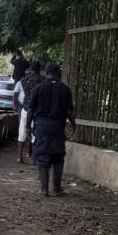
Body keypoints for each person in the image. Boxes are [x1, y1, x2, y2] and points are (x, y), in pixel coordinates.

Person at [28, 62, 75, 197]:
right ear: (58, 73)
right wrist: (73, 125)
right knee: (58, 157)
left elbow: (31, 110)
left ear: (46, 73)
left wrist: (28, 127)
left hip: (41, 127)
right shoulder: (65, 89)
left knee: (42, 156)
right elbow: (69, 112)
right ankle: (56, 188)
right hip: (57, 128)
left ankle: (44, 189)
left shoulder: (38, 88)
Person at [14, 61, 44, 163]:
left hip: (26, 109)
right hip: (38, 111)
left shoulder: (23, 80)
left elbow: (16, 94)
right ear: (39, 69)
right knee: (35, 133)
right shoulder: (42, 80)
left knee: (22, 132)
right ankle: (33, 158)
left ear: (30, 68)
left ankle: (19, 157)